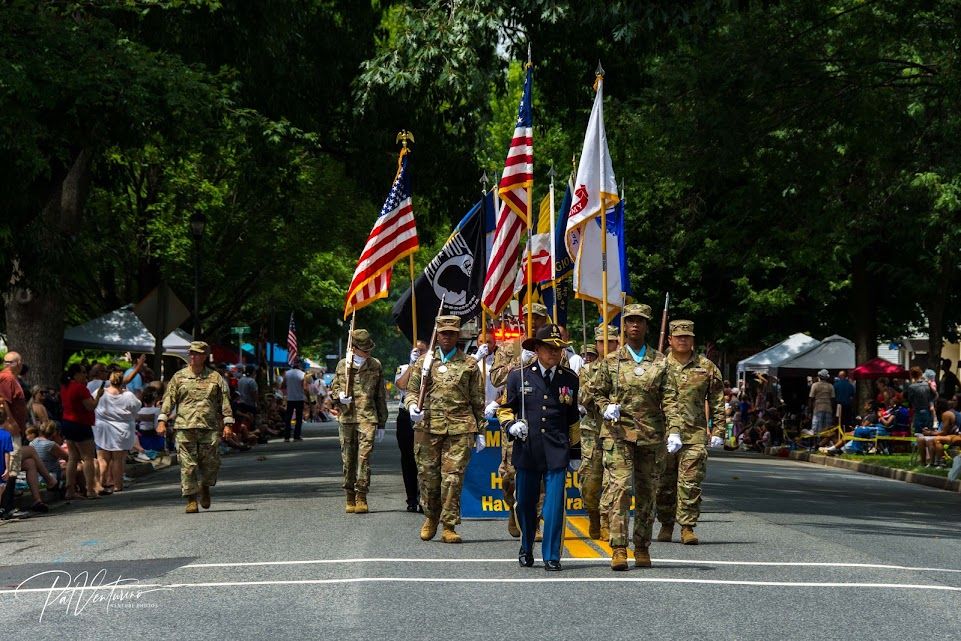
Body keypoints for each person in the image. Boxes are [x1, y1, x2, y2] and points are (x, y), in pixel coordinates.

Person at [590, 305, 668, 569]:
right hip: (618, 433)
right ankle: (619, 547)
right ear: (623, 326)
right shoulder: (612, 361)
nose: (635, 325)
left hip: (650, 435)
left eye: (640, 321)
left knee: (648, 492)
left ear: (647, 326)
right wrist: (604, 407)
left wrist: (676, 429)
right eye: (630, 321)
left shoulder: (660, 361)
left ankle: (642, 546)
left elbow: (670, 399)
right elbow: (596, 392)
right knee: (619, 490)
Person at [497, 324, 581, 571]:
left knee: (554, 505)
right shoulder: (518, 376)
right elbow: (505, 408)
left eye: (559, 348)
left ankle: (552, 555)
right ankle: (526, 545)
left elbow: (573, 418)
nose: (555, 353)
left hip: (556, 450)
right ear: (537, 348)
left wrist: (575, 452)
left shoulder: (570, 379)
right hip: (528, 448)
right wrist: (510, 425)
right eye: (549, 348)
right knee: (524, 503)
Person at [406, 315, 485, 544]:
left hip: (459, 427)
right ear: (437, 335)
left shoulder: (469, 363)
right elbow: (411, 391)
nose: (447, 337)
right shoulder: (424, 363)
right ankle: (431, 517)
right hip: (428, 427)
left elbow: (477, 399)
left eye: (452, 333)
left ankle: (448, 524)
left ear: (458, 334)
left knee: (452, 478)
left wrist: (480, 430)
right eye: (443, 333)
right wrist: (412, 406)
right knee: (428, 478)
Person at [656, 320, 725, 545]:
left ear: (693, 339)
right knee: (664, 484)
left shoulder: (706, 367)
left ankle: (687, 526)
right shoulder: (659, 365)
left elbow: (717, 399)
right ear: (670, 340)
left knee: (690, 482)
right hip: (663, 434)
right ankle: (666, 523)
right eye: (678, 336)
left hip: (694, 433)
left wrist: (719, 429)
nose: (683, 340)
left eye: (687, 336)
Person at [488, 303, 555, 538]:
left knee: (541, 475)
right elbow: (496, 378)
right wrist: (520, 361)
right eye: (529, 318)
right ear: (522, 319)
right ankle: (513, 508)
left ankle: (534, 522)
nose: (533, 322)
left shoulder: (552, 348)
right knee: (509, 477)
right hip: (514, 420)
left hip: (542, 419)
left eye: (538, 318)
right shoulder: (509, 347)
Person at [157, 341, 235, 513]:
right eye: (191, 353)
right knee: (187, 465)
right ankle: (191, 499)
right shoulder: (179, 377)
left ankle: (205, 487)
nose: (193, 356)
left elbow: (225, 402)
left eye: (197, 353)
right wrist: (162, 420)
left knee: (210, 464)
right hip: (185, 427)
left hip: (210, 427)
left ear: (204, 356)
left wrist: (228, 423)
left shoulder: (215, 378)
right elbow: (169, 399)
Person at [330, 329, 388, 514]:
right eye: (364, 349)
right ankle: (349, 495)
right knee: (348, 459)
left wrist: (382, 423)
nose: (368, 352)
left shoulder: (375, 365)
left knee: (364, 458)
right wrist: (339, 396)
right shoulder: (342, 366)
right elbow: (334, 388)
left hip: (368, 417)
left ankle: (362, 495)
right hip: (347, 417)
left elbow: (380, 396)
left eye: (369, 348)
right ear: (353, 348)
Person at [576, 323, 620, 541]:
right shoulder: (586, 370)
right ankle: (593, 515)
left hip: (616, 432)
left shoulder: (624, 368)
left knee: (612, 481)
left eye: (611, 342)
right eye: (602, 342)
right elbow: (582, 399)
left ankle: (606, 522)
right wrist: (598, 376)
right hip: (593, 430)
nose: (607, 346)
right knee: (590, 483)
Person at [93, 370, 143, 493]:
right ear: (122, 381)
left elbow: (92, 403)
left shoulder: (100, 393)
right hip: (122, 430)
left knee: (102, 459)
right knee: (118, 460)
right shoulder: (128, 395)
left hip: (102, 430)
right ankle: (117, 485)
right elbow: (137, 406)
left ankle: (101, 483)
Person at [60, 363, 102, 500]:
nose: (85, 375)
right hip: (80, 424)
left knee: (72, 457)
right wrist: (99, 396)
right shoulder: (80, 388)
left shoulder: (65, 386)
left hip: (67, 423)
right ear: (76, 374)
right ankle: (90, 489)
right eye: (83, 372)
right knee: (88, 457)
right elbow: (91, 406)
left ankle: (70, 490)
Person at [395, 340, 428, 512]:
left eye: (422, 350)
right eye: (417, 350)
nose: (419, 352)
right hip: (407, 414)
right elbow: (402, 385)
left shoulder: (433, 366)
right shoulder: (404, 367)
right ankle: (411, 498)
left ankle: (425, 497)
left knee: (425, 458)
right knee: (408, 458)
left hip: (425, 415)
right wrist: (412, 363)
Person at [282, 360, 308, 442]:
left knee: (288, 417)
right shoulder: (302, 374)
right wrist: (307, 397)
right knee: (299, 418)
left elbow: (283, 385)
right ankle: (296, 436)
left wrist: (286, 394)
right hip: (299, 398)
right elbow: (304, 387)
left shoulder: (287, 374)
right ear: (299, 366)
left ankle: (287, 436)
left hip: (290, 398)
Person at [905, 366, 936, 434]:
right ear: (921, 373)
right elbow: (934, 397)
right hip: (928, 412)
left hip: (917, 412)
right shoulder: (928, 385)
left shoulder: (911, 387)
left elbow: (910, 400)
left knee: (917, 434)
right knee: (928, 433)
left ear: (912, 375)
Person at [808, 370, 836, 436]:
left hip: (818, 408)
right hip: (828, 408)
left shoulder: (815, 385)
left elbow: (811, 398)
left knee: (817, 428)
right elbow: (833, 399)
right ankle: (825, 443)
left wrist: (810, 409)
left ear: (819, 377)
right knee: (827, 428)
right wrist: (833, 410)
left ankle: (817, 443)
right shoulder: (830, 386)